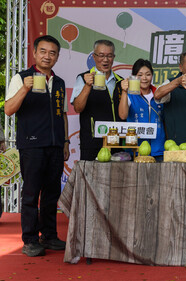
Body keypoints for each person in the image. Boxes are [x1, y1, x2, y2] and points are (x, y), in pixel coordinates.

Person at [5, 35, 69, 257]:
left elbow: (63, 115)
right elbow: (8, 109)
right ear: (34, 53)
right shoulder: (21, 78)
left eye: (52, 53)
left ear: (57, 56)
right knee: (31, 194)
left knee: (52, 194)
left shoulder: (59, 82)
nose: (47, 56)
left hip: (55, 145)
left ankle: (49, 236)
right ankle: (30, 240)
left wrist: (66, 141)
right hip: (31, 145)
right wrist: (24, 88)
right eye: (43, 51)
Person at [71, 40, 124, 160]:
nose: (105, 60)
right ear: (94, 57)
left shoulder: (120, 81)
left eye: (109, 56)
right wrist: (88, 86)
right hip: (92, 142)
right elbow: (77, 108)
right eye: (101, 55)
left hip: (116, 142)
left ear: (113, 57)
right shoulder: (83, 78)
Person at [119, 59, 165, 160]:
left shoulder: (159, 94)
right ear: (134, 76)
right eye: (140, 75)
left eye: (148, 74)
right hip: (135, 151)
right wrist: (124, 91)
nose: (144, 78)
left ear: (152, 76)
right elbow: (123, 115)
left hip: (158, 150)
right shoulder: (130, 95)